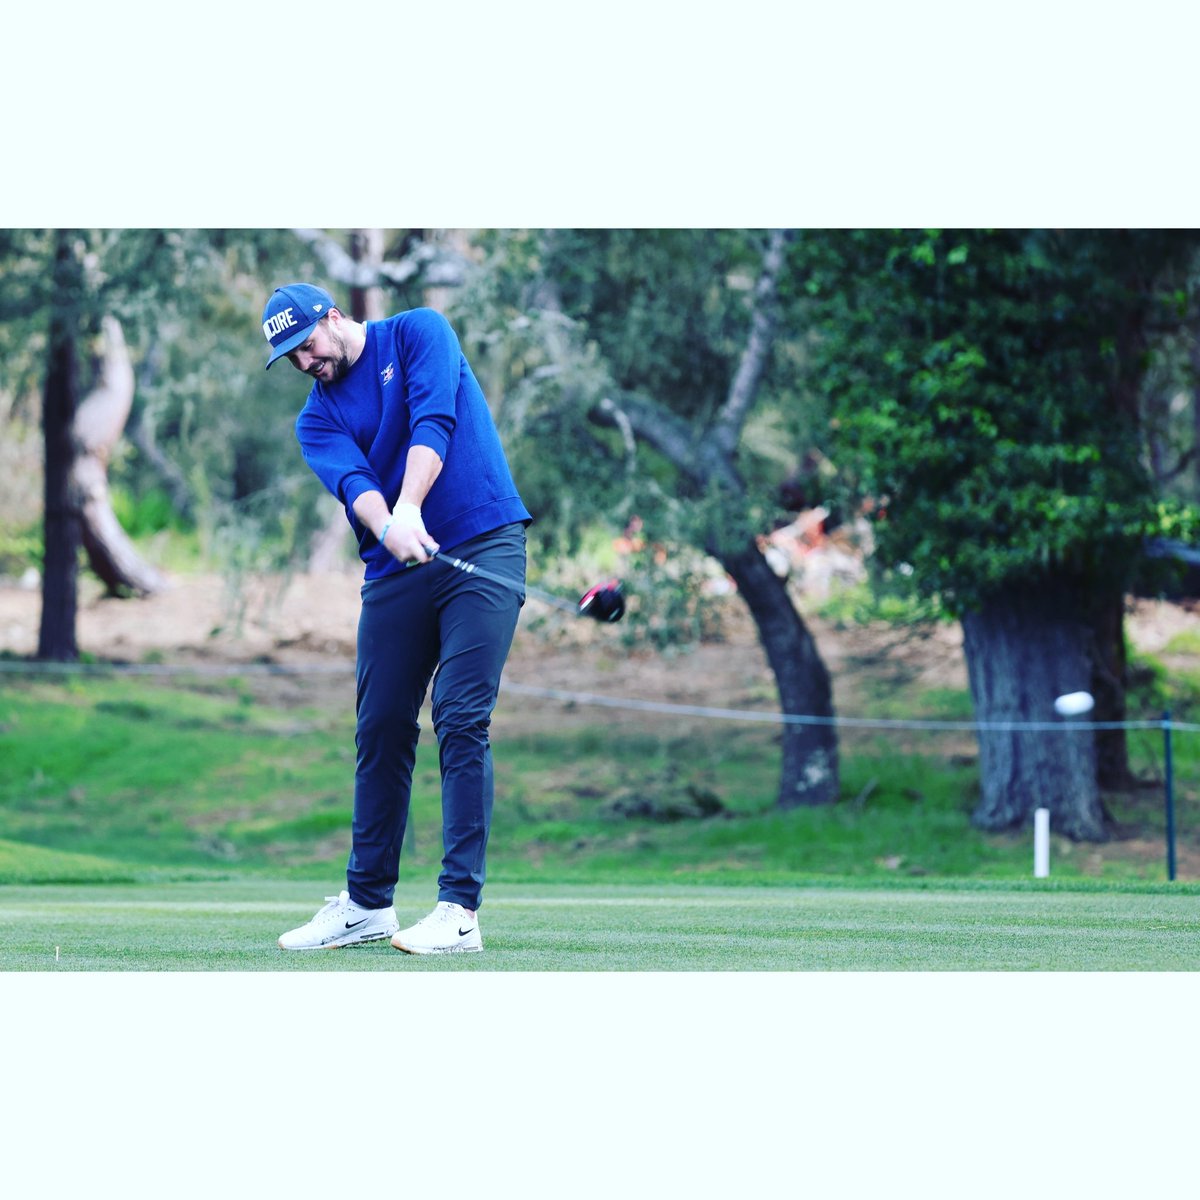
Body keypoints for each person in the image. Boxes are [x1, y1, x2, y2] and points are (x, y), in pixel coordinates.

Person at [262, 282, 531, 954]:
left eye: (307, 345)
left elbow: (433, 420)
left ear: (332, 316)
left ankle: (459, 911)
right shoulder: (315, 420)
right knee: (380, 724)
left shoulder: (419, 331)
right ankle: (366, 904)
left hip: (483, 538)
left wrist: (411, 505)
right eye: (290, 358)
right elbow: (355, 488)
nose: (305, 363)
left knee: (461, 712)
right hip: (396, 568)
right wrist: (391, 526)